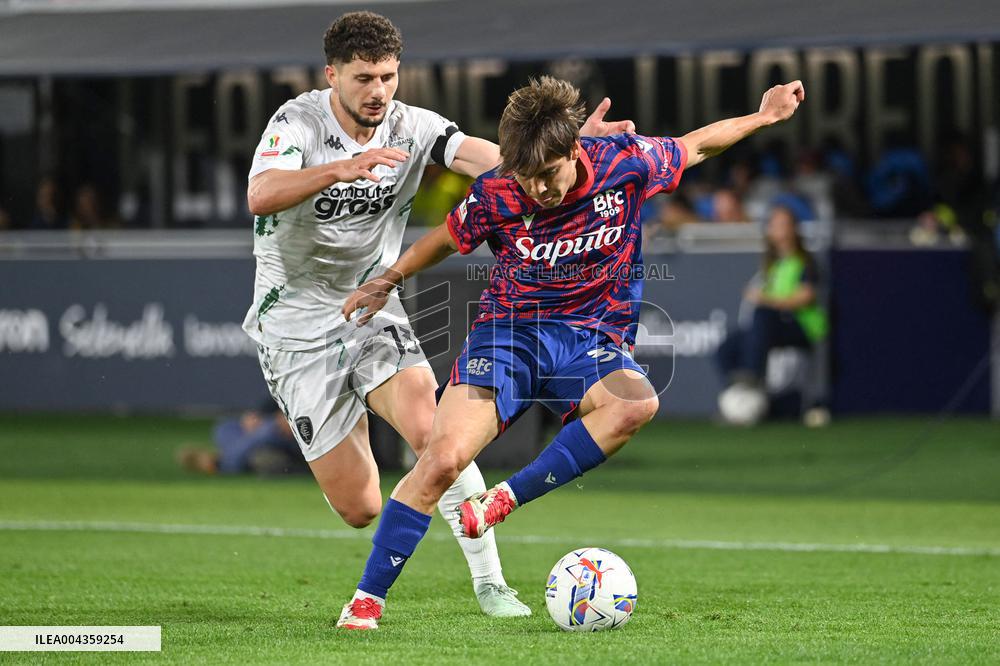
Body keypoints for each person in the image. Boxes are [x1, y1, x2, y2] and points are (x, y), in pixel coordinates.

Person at [336, 75, 805, 629]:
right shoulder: (499, 190)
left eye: (549, 174)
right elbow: (443, 238)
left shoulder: (624, 161)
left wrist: (763, 117)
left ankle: (501, 501)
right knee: (441, 460)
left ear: (576, 150)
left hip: (591, 339)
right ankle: (367, 598)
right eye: (527, 177)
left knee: (635, 403)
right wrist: (387, 278)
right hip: (509, 336)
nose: (539, 189)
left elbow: (698, 144)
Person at [243, 12, 633, 620]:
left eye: (389, 76)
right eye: (364, 77)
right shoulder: (297, 122)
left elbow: (498, 162)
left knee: (439, 439)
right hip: (294, 322)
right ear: (333, 76)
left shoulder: (414, 126)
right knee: (360, 506)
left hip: (373, 303)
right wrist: (338, 168)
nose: (378, 91)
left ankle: (491, 585)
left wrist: (572, 150)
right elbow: (261, 194)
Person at [715, 205, 828, 391]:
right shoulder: (773, 265)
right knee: (728, 346)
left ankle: (753, 379)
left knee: (762, 315)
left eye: (783, 224)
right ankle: (737, 391)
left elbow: (805, 297)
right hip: (775, 325)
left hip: (802, 327)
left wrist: (764, 299)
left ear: (793, 228)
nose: (778, 229)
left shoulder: (805, 261)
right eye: (774, 224)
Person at [177, 400, 305, 476]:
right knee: (225, 429)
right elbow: (273, 397)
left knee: (225, 430)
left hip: (297, 430)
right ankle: (222, 462)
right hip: (274, 427)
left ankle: (221, 464)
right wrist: (257, 415)